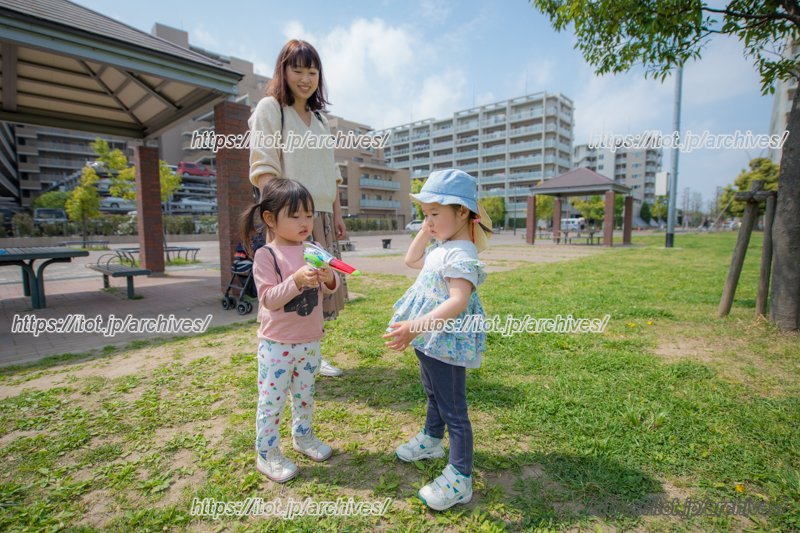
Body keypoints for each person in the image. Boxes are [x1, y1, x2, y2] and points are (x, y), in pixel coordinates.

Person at [383, 169, 493, 511]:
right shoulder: (441, 247)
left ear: (462, 212)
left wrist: (415, 326)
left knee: (454, 410)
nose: (428, 221)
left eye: (435, 213)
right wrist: (427, 228)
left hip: (444, 340)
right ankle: (432, 439)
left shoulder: (462, 254)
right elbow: (410, 260)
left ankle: (461, 476)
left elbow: (457, 300)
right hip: (430, 341)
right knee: (433, 392)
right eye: (424, 213)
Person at [248, 39, 346, 377]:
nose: (306, 78)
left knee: (320, 286)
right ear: (283, 71)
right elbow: (263, 166)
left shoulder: (320, 119)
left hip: (320, 215)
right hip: (289, 216)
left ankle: (312, 353)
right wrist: (276, 219)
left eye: (313, 71)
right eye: (298, 70)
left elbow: (332, 172)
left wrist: (337, 214)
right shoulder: (270, 108)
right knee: (287, 286)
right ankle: (280, 352)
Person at [241, 178, 339, 483]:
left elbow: (332, 290)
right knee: (272, 400)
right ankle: (267, 452)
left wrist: (328, 276)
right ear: (270, 218)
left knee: (305, 395)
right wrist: (296, 280)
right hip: (277, 344)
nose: (304, 222)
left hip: (310, 341)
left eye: (308, 215)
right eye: (295, 216)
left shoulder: (315, 248)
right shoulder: (266, 256)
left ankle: (303, 436)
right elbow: (269, 299)